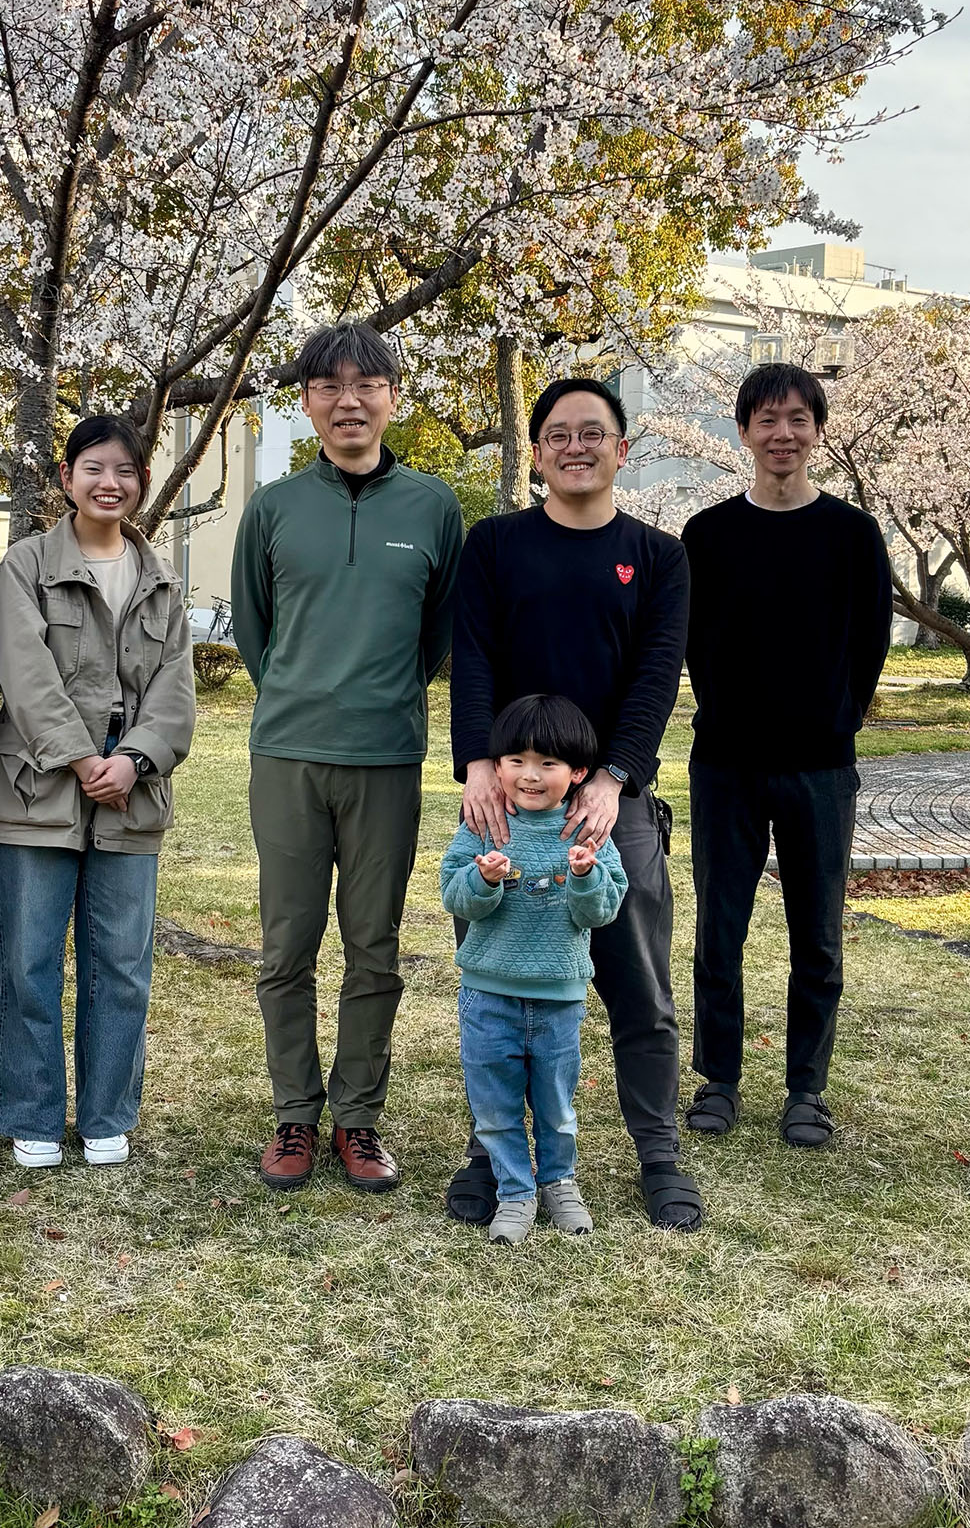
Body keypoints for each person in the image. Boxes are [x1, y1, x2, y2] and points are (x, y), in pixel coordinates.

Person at [447, 373, 702, 1232]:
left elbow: (656, 675)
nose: (575, 446)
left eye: (593, 432)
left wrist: (611, 776)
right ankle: (491, 1154)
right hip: (504, 795)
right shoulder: (495, 544)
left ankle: (658, 1152)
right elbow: (473, 658)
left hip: (609, 799)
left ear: (621, 449)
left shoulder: (659, 557)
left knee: (640, 985)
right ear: (536, 452)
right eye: (558, 433)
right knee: (497, 983)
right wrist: (479, 767)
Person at [231, 322, 466, 1193]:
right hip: (288, 755)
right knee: (286, 945)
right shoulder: (274, 506)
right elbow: (254, 626)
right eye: (328, 385)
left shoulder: (434, 506)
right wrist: (300, 692)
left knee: (374, 945)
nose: (349, 400)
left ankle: (357, 1118)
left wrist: (380, 696)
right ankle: (295, 1112)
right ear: (307, 402)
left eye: (367, 384)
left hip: (386, 757)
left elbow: (438, 632)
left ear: (393, 397)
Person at [680, 362, 892, 1148]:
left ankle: (807, 1087)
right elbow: (691, 640)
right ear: (743, 431)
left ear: (818, 431)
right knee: (719, 927)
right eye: (767, 419)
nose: (783, 433)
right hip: (726, 761)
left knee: (819, 933)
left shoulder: (852, 534)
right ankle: (718, 1077)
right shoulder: (707, 535)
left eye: (798, 418)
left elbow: (870, 643)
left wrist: (836, 717)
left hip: (821, 765)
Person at [0, 412, 197, 1169]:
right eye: (94, 468)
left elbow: (175, 690)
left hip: (132, 789)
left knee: (122, 963)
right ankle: (32, 1115)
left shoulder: (160, 578)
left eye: (126, 471)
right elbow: (24, 671)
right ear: (66, 477)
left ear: (143, 481)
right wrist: (81, 760)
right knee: (29, 959)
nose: (111, 483)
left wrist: (133, 760)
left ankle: (108, 1114)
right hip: (37, 785)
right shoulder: (26, 564)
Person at [439, 694, 628, 1244]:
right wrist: (483, 880)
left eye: (548, 763)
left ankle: (559, 1183)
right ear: (496, 767)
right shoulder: (484, 825)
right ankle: (515, 1192)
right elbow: (454, 896)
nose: (531, 775)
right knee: (494, 1106)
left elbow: (602, 911)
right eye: (517, 761)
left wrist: (587, 876)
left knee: (557, 1106)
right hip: (487, 995)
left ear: (578, 773)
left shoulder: (587, 831)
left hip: (559, 997)